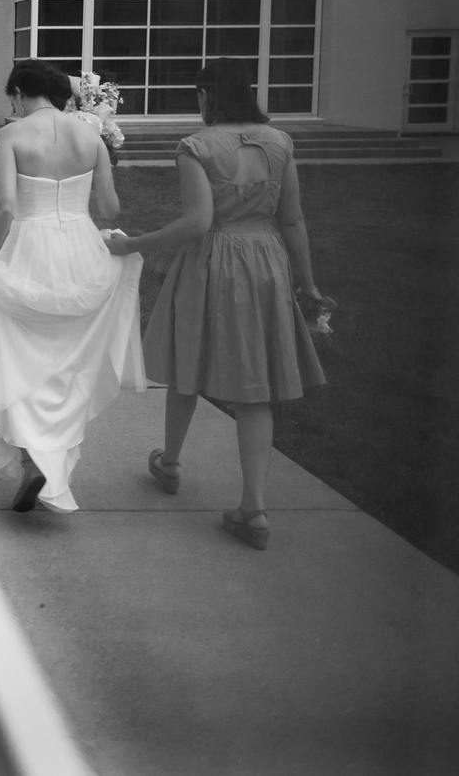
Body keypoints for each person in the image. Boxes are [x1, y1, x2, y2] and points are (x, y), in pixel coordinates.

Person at [108, 58, 327, 550]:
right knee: (255, 386)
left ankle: (170, 463)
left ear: (208, 95)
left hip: (213, 262)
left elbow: (197, 223)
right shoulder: (280, 142)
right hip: (266, 262)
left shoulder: (196, 147)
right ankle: (254, 508)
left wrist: (130, 244)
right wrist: (307, 283)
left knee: (189, 360)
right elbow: (292, 220)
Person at [0, 60, 145, 513]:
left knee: (9, 343)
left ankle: (30, 456)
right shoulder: (91, 136)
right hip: (79, 250)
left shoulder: (12, 136)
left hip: (30, 249)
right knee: (63, 358)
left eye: (10, 99)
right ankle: (46, 455)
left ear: (19, 94)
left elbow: (4, 207)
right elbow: (111, 210)